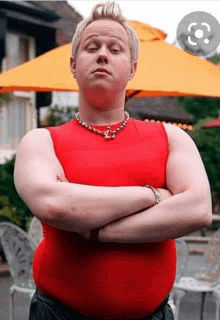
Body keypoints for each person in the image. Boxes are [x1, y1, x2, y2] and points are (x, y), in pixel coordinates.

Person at [14, 2, 212, 320]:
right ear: (74, 64)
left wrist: (95, 231)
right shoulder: (41, 141)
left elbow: (198, 209)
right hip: (59, 313)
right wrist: (153, 195)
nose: (103, 54)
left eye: (115, 48)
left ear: (132, 68)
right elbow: (54, 206)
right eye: (92, 47)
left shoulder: (172, 137)